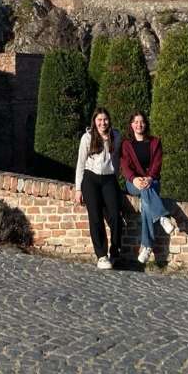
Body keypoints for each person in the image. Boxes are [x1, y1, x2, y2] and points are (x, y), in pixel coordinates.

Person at [119, 111, 178, 264]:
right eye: (136, 122)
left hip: (152, 182)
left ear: (146, 124)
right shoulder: (126, 144)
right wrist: (134, 179)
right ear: (131, 125)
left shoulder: (155, 142)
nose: (139, 125)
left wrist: (149, 178)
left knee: (146, 204)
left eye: (142, 122)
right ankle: (162, 217)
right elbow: (125, 166)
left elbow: (157, 164)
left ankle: (147, 246)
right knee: (145, 191)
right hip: (133, 183)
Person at [74, 107, 122, 269]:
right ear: (94, 121)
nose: (103, 123)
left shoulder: (116, 136)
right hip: (90, 178)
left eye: (105, 119)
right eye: (99, 120)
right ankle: (101, 255)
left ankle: (115, 251)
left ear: (109, 120)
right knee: (95, 216)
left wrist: (117, 181)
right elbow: (81, 164)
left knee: (115, 215)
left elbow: (116, 160)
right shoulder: (87, 138)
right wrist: (78, 189)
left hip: (109, 178)